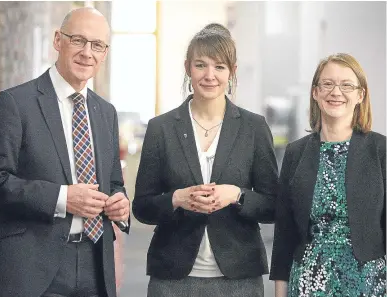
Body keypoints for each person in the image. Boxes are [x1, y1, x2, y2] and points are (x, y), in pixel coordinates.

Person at [0, 7, 130, 297]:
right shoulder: (14, 103)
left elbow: (114, 183)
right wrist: (63, 198)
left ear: (104, 53)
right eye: (78, 40)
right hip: (32, 268)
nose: (87, 53)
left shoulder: (106, 113)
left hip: (94, 265)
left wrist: (121, 206)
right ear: (57, 41)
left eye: (97, 45)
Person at [132, 23, 279, 297]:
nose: (210, 75)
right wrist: (176, 198)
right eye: (201, 65)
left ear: (232, 71)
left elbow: (273, 205)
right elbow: (142, 207)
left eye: (219, 67)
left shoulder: (254, 128)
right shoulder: (161, 129)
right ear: (188, 67)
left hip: (239, 280)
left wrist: (237, 195)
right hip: (173, 279)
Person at [270, 53, 386, 297]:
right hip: (307, 283)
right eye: (328, 84)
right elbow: (284, 233)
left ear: (360, 95)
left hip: (367, 283)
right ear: (315, 92)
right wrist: (279, 292)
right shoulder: (296, 153)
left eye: (346, 85)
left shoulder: (380, 150)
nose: (336, 92)